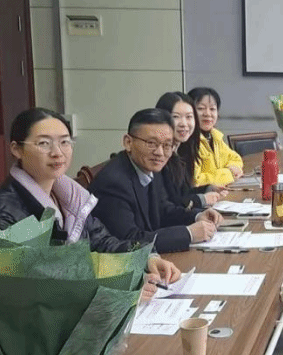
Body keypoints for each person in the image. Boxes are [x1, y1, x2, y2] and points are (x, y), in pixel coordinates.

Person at [0, 107, 181, 293]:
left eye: (64, 142)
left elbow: (102, 242)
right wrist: (118, 289)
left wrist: (146, 258)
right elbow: (33, 290)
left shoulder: (68, 196)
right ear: (17, 149)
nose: (57, 153)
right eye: (44, 143)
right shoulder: (4, 215)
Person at [90, 108, 222, 253]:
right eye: (151, 143)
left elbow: (164, 210)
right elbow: (129, 241)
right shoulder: (113, 183)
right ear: (128, 142)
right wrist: (188, 234)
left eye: (167, 145)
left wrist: (197, 216)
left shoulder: (151, 167)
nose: (159, 152)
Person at [155, 91, 227, 209]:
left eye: (189, 117)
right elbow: (167, 205)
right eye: (176, 117)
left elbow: (182, 193)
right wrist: (201, 199)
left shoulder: (183, 151)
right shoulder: (157, 156)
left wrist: (207, 189)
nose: (184, 124)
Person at [187, 87, 243, 187]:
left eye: (212, 109)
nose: (207, 114)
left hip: (220, 192)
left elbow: (235, 158)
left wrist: (234, 168)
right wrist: (229, 173)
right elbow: (196, 181)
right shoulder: (188, 141)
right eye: (201, 108)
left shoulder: (215, 136)